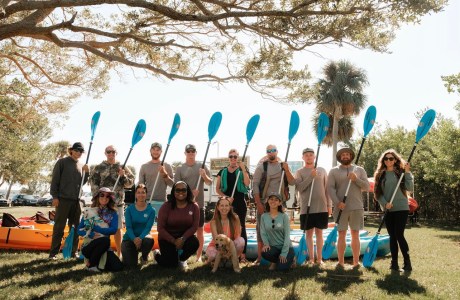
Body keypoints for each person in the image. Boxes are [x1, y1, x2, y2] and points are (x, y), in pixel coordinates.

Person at [251, 144, 295, 264]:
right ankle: (260, 257)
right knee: (261, 229)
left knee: (282, 229)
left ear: (277, 151)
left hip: (280, 203)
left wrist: (286, 169)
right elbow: (255, 184)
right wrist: (258, 203)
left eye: (273, 150)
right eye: (268, 151)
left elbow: (292, 182)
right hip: (265, 203)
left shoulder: (284, 166)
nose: (271, 152)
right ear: (267, 153)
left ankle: (284, 253)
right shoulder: (261, 167)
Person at [327, 147, 369, 268]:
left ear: (351, 156)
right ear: (340, 158)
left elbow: (366, 187)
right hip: (340, 208)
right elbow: (330, 188)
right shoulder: (333, 171)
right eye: (342, 155)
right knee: (341, 234)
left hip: (356, 207)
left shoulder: (359, 170)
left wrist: (356, 179)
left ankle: (356, 262)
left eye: (347, 154)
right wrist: (337, 202)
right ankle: (340, 262)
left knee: (355, 234)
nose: (345, 156)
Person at [90, 145, 135, 257]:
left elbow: (131, 183)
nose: (111, 154)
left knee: (118, 229)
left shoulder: (122, 166)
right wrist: (99, 199)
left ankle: (119, 254)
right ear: (105, 153)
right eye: (108, 152)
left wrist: (123, 175)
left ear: (116, 153)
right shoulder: (99, 167)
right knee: (102, 228)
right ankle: (102, 253)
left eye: (113, 152)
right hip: (103, 204)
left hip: (117, 203)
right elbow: (93, 183)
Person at [374, 149, 414, 272]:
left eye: (391, 158)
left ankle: (407, 263)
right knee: (392, 236)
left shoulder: (401, 173)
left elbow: (410, 188)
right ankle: (394, 263)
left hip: (401, 207)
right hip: (388, 209)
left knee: (399, 234)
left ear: (395, 160)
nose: (388, 161)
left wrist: (407, 173)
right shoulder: (380, 175)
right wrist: (385, 203)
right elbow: (377, 193)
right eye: (386, 159)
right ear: (383, 161)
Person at [49, 142, 89, 260]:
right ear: (71, 150)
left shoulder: (82, 165)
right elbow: (55, 180)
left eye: (81, 151)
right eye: (76, 150)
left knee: (76, 227)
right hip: (62, 200)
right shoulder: (62, 162)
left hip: (77, 201)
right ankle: (53, 253)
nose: (78, 153)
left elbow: (82, 183)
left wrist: (87, 172)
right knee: (59, 227)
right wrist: (55, 197)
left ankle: (73, 252)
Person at [173, 144, 212, 263]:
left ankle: (198, 256)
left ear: (196, 153)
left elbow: (210, 182)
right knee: (183, 231)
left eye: (192, 151)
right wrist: (190, 193)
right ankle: (182, 256)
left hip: (198, 205)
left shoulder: (202, 166)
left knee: (200, 230)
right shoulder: (180, 168)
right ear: (185, 153)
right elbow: (176, 187)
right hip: (184, 205)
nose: (190, 153)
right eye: (188, 151)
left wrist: (204, 175)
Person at [294, 148, 332, 265]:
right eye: (306, 155)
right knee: (309, 233)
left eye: (311, 155)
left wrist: (329, 205)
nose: (309, 157)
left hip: (321, 207)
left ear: (314, 157)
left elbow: (327, 189)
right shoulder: (299, 172)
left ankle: (319, 259)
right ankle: (311, 258)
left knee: (319, 233)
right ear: (303, 158)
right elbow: (299, 188)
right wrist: (311, 177)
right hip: (306, 208)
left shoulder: (322, 170)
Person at [155, 181, 200, 271]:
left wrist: (182, 239)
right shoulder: (166, 206)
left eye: (184, 190)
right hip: (167, 238)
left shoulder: (194, 206)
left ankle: (182, 259)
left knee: (194, 243)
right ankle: (157, 254)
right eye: (177, 190)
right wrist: (174, 241)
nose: (181, 192)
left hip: (185, 238)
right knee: (170, 265)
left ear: (188, 192)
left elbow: (194, 227)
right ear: (173, 192)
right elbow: (160, 228)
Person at [215, 149, 250, 262]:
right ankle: (224, 253)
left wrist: (244, 169)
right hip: (226, 203)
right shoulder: (222, 171)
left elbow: (247, 183)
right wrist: (225, 198)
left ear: (238, 157)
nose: (233, 158)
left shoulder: (242, 170)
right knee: (226, 226)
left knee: (241, 227)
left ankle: (242, 255)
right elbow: (217, 189)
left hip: (239, 202)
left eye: (235, 156)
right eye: (231, 156)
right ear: (228, 158)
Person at [77, 187, 119, 272]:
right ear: (97, 197)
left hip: (104, 246)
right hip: (90, 245)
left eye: (107, 196)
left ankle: (94, 264)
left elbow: (113, 230)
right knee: (105, 241)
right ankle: (92, 264)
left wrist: (96, 228)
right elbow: (79, 230)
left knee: (118, 267)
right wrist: (91, 234)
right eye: (102, 195)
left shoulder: (113, 213)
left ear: (110, 198)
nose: (104, 198)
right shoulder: (88, 211)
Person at [121, 184, 156, 268]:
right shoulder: (129, 209)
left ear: (146, 194)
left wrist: (140, 238)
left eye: (143, 192)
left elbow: (148, 228)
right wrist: (134, 239)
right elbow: (128, 227)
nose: (141, 195)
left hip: (143, 238)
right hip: (129, 239)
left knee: (148, 240)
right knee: (130, 266)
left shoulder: (151, 210)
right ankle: (130, 254)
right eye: (138, 192)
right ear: (135, 194)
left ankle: (144, 257)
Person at [205, 197, 245, 265]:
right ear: (218, 207)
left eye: (226, 205)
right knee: (213, 256)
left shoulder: (235, 218)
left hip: (231, 246)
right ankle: (210, 261)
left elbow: (238, 235)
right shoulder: (214, 222)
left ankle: (232, 259)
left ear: (230, 207)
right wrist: (223, 251)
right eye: (222, 205)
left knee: (241, 241)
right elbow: (216, 239)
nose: (224, 208)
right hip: (217, 247)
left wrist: (229, 250)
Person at [260, 192, 295, 271]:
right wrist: (266, 244)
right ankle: (275, 262)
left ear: (280, 203)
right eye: (271, 199)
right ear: (268, 201)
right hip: (274, 248)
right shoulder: (263, 216)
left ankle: (292, 259)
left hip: (286, 247)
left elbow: (287, 236)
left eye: (276, 200)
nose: (273, 201)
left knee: (282, 269)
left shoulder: (284, 216)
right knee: (265, 252)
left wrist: (284, 253)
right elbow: (263, 232)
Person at [138, 142, 174, 214]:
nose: (155, 152)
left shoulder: (167, 166)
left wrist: (164, 173)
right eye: (153, 149)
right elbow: (140, 185)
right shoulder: (144, 166)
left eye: (158, 150)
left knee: (160, 225)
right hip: (147, 201)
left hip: (161, 202)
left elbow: (172, 184)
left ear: (161, 152)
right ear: (150, 151)